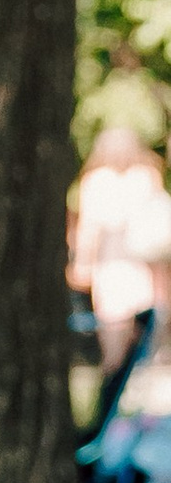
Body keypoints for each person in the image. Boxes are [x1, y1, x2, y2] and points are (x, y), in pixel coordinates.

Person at [71, 124, 169, 383]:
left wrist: (82, 267)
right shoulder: (147, 176)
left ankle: (113, 397)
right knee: (145, 337)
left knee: (114, 339)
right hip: (142, 268)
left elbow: (88, 232)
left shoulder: (96, 181)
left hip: (111, 268)